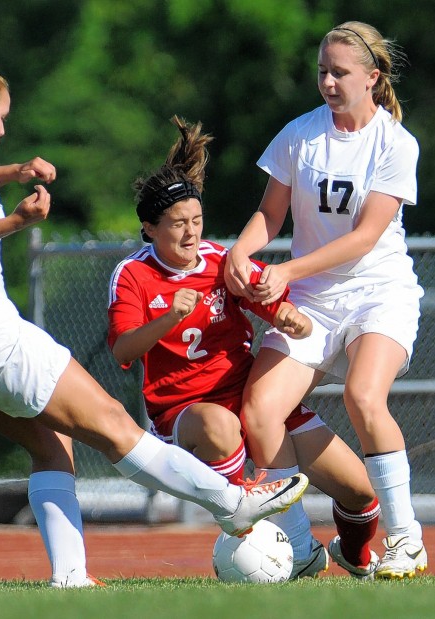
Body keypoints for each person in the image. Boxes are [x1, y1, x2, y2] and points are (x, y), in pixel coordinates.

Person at [0, 57, 309, 588]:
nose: (2, 131)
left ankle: (71, 577)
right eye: (0, 118)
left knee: (50, 443)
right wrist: (16, 220)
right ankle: (235, 504)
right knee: (116, 426)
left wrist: (13, 173)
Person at [108, 115, 381, 580]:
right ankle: (292, 544)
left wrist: (286, 317)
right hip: (187, 411)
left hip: (249, 399)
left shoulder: (218, 260)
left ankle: (352, 556)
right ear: (150, 229)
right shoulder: (132, 275)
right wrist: (168, 317)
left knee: (359, 491)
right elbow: (123, 351)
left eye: (196, 220)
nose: (191, 233)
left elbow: (265, 294)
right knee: (220, 425)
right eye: (177, 224)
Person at [224, 22, 427, 580]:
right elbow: (270, 214)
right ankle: (299, 549)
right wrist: (240, 253)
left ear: (372, 78)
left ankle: (406, 538)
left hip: (377, 293)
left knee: (365, 396)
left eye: (340, 72)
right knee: (260, 410)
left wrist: (283, 269)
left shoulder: (394, 142)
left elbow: (364, 238)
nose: (329, 82)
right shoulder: (300, 134)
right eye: (322, 72)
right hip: (314, 299)